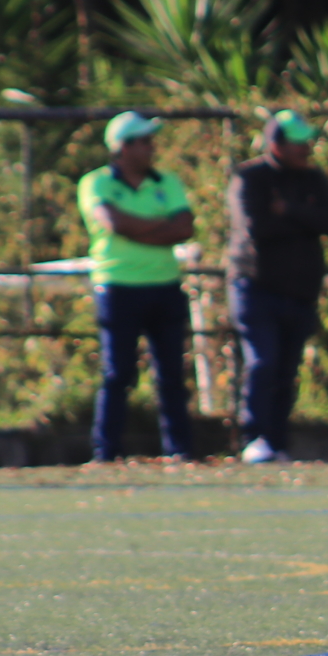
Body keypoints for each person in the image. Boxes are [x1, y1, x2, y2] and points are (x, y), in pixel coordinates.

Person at [226, 110, 328, 464]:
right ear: (276, 145)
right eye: (298, 143)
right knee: (263, 362)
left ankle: (277, 442)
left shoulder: (313, 179)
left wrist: (289, 210)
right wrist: (306, 218)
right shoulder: (250, 178)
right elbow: (257, 227)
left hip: (300, 290)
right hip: (256, 287)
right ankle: (253, 437)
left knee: (286, 370)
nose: (306, 149)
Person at [77, 111, 196, 462]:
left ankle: (179, 450)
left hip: (164, 286)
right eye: (144, 141)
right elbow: (113, 223)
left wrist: (136, 228)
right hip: (118, 288)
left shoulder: (167, 181)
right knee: (118, 373)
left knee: (171, 374)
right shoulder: (96, 183)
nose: (151, 147)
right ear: (122, 147)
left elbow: (184, 228)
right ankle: (106, 451)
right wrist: (160, 227)